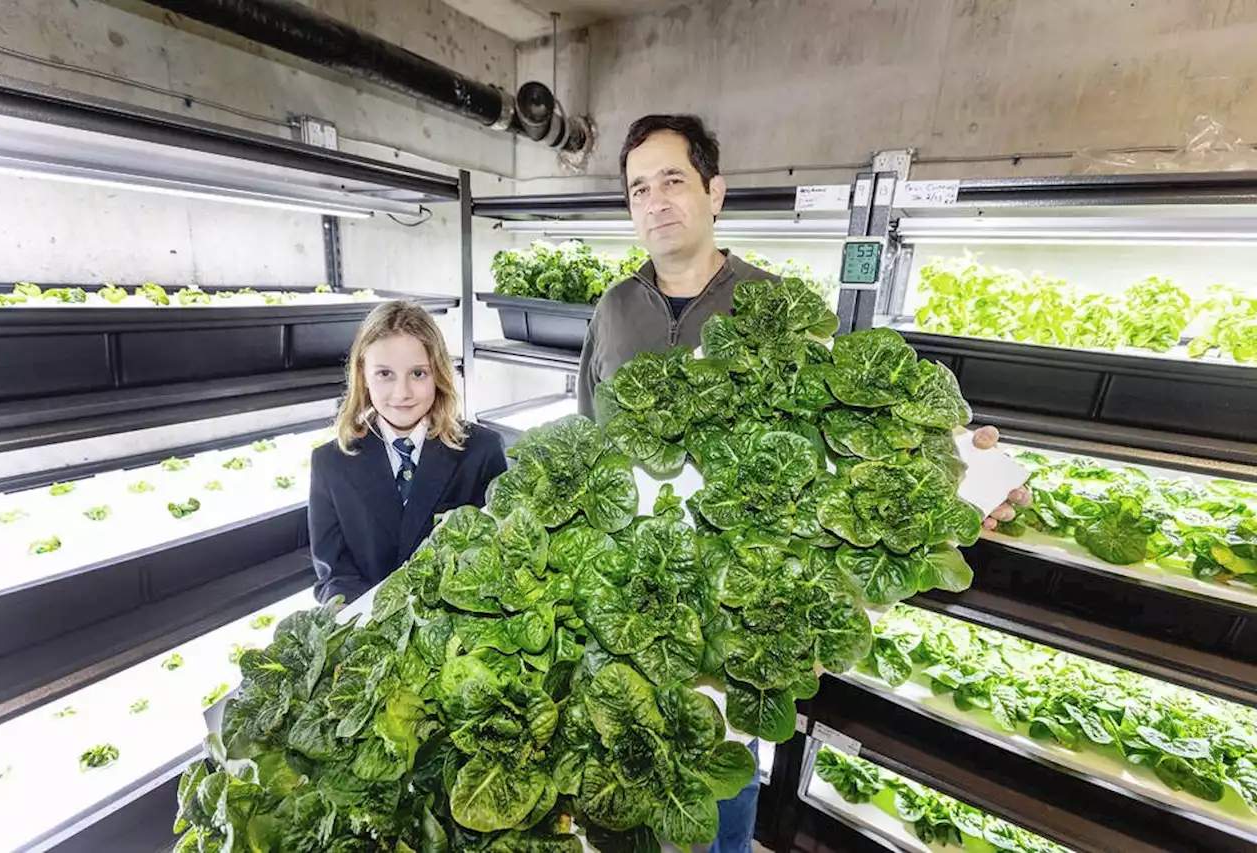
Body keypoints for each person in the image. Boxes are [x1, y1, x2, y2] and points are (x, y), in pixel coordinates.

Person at [578, 114, 1030, 853]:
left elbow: (854, 426)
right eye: (637, 188)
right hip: (640, 591)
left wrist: (966, 468)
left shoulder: (776, 307)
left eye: (672, 180)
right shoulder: (613, 310)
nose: (655, 201)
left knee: (722, 773)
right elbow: (591, 441)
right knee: (637, 773)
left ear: (714, 192)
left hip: (748, 595)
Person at [308, 300, 508, 605]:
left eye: (418, 374)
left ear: (439, 374)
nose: (402, 393)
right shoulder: (331, 464)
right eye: (385, 374)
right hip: (368, 631)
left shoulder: (482, 451)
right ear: (362, 376)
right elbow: (334, 574)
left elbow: (498, 557)